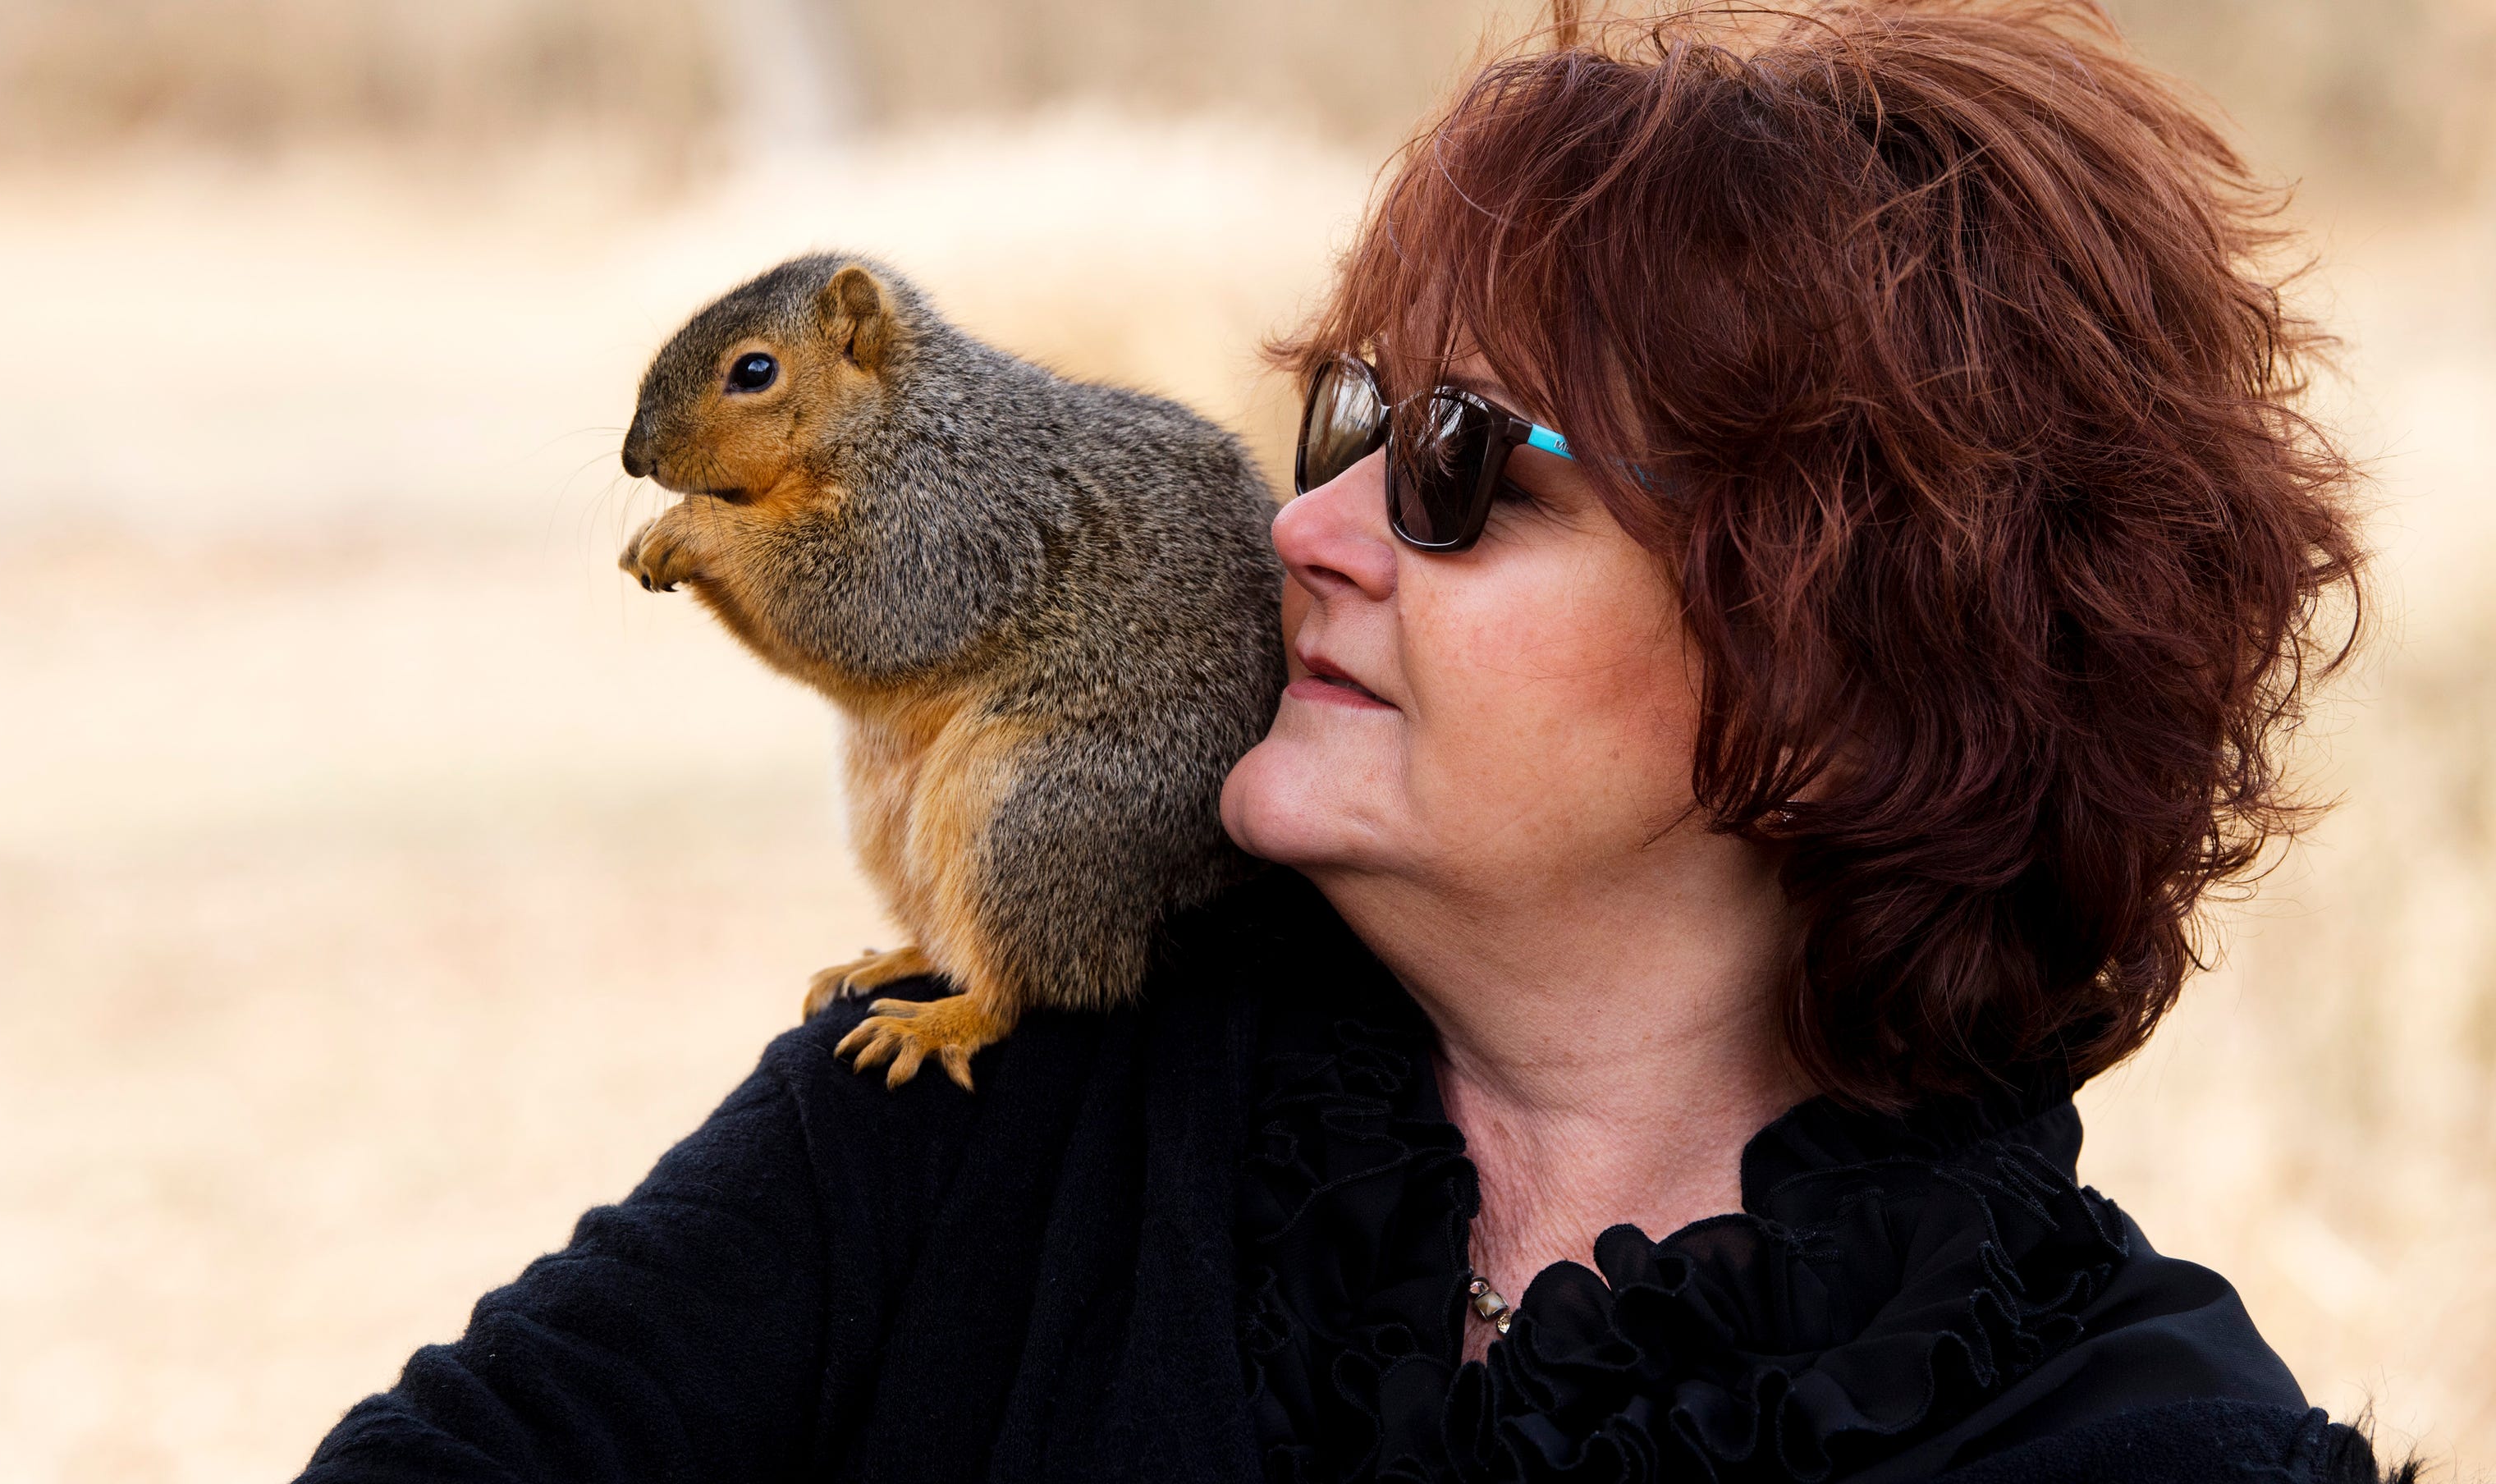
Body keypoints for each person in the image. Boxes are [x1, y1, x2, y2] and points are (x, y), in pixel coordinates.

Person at [296, 3, 2404, 1480]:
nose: (1300, 531)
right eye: (1352, 422)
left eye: (1468, 471)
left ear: (1848, 653)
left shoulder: (2116, 1438)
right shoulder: (1001, 1103)